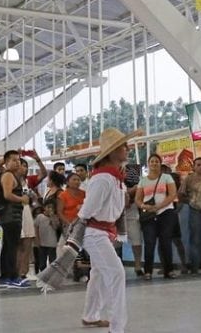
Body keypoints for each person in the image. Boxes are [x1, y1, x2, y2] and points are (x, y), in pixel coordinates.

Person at [77, 127, 139, 332]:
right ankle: (117, 327)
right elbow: (87, 211)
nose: (127, 148)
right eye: (123, 146)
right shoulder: (103, 178)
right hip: (95, 233)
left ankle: (90, 315)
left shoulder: (114, 178)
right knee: (116, 273)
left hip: (102, 232)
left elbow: (114, 208)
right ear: (112, 152)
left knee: (99, 274)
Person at [135, 154, 179, 280]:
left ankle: (169, 270)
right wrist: (144, 206)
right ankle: (148, 271)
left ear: (160, 164)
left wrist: (159, 206)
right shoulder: (143, 181)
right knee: (149, 242)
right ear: (148, 164)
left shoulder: (166, 177)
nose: (154, 163)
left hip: (166, 212)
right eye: (152, 161)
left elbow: (172, 194)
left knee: (166, 242)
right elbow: (138, 199)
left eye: (156, 161)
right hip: (149, 215)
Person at [0, 150, 31, 288]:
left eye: (18, 160)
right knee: (12, 247)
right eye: (14, 160)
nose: (17, 163)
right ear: (6, 162)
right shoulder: (8, 175)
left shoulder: (11, 175)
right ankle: (12, 277)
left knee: (7, 246)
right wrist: (22, 199)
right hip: (11, 216)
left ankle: (5, 276)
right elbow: (7, 195)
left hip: (11, 216)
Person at [179, 157, 201, 274]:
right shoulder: (189, 179)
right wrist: (190, 201)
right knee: (196, 240)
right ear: (194, 167)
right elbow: (181, 194)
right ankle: (195, 267)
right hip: (195, 211)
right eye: (198, 165)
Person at [123, 163, 144, 277]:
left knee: (137, 241)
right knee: (115, 243)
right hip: (117, 217)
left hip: (133, 215)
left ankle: (138, 266)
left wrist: (131, 192)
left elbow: (138, 192)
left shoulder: (135, 179)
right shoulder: (113, 179)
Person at [34, 203, 60, 271]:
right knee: (42, 263)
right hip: (42, 243)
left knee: (52, 261)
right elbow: (36, 228)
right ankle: (42, 273)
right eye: (48, 207)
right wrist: (37, 239)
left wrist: (52, 217)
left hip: (52, 243)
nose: (49, 209)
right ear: (44, 207)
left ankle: (51, 274)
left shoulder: (55, 217)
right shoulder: (40, 216)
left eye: (52, 208)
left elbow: (56, 227)